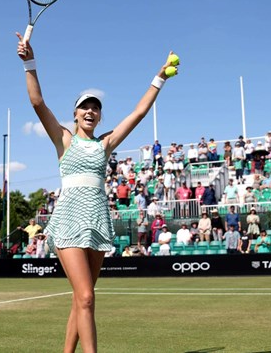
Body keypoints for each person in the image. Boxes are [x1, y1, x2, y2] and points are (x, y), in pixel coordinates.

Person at [17, 34, 176, 353]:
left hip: (97, 221)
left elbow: (138, 113)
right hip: (69, 222)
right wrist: (29, 63)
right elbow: (37, 102)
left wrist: (159, 78)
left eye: (96, 108)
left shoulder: (105, 144)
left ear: (99, 116)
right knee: (87, 297)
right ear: (75, 114)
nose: (90, 111)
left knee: (81, 299)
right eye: (84, 107)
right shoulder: (63, 139)